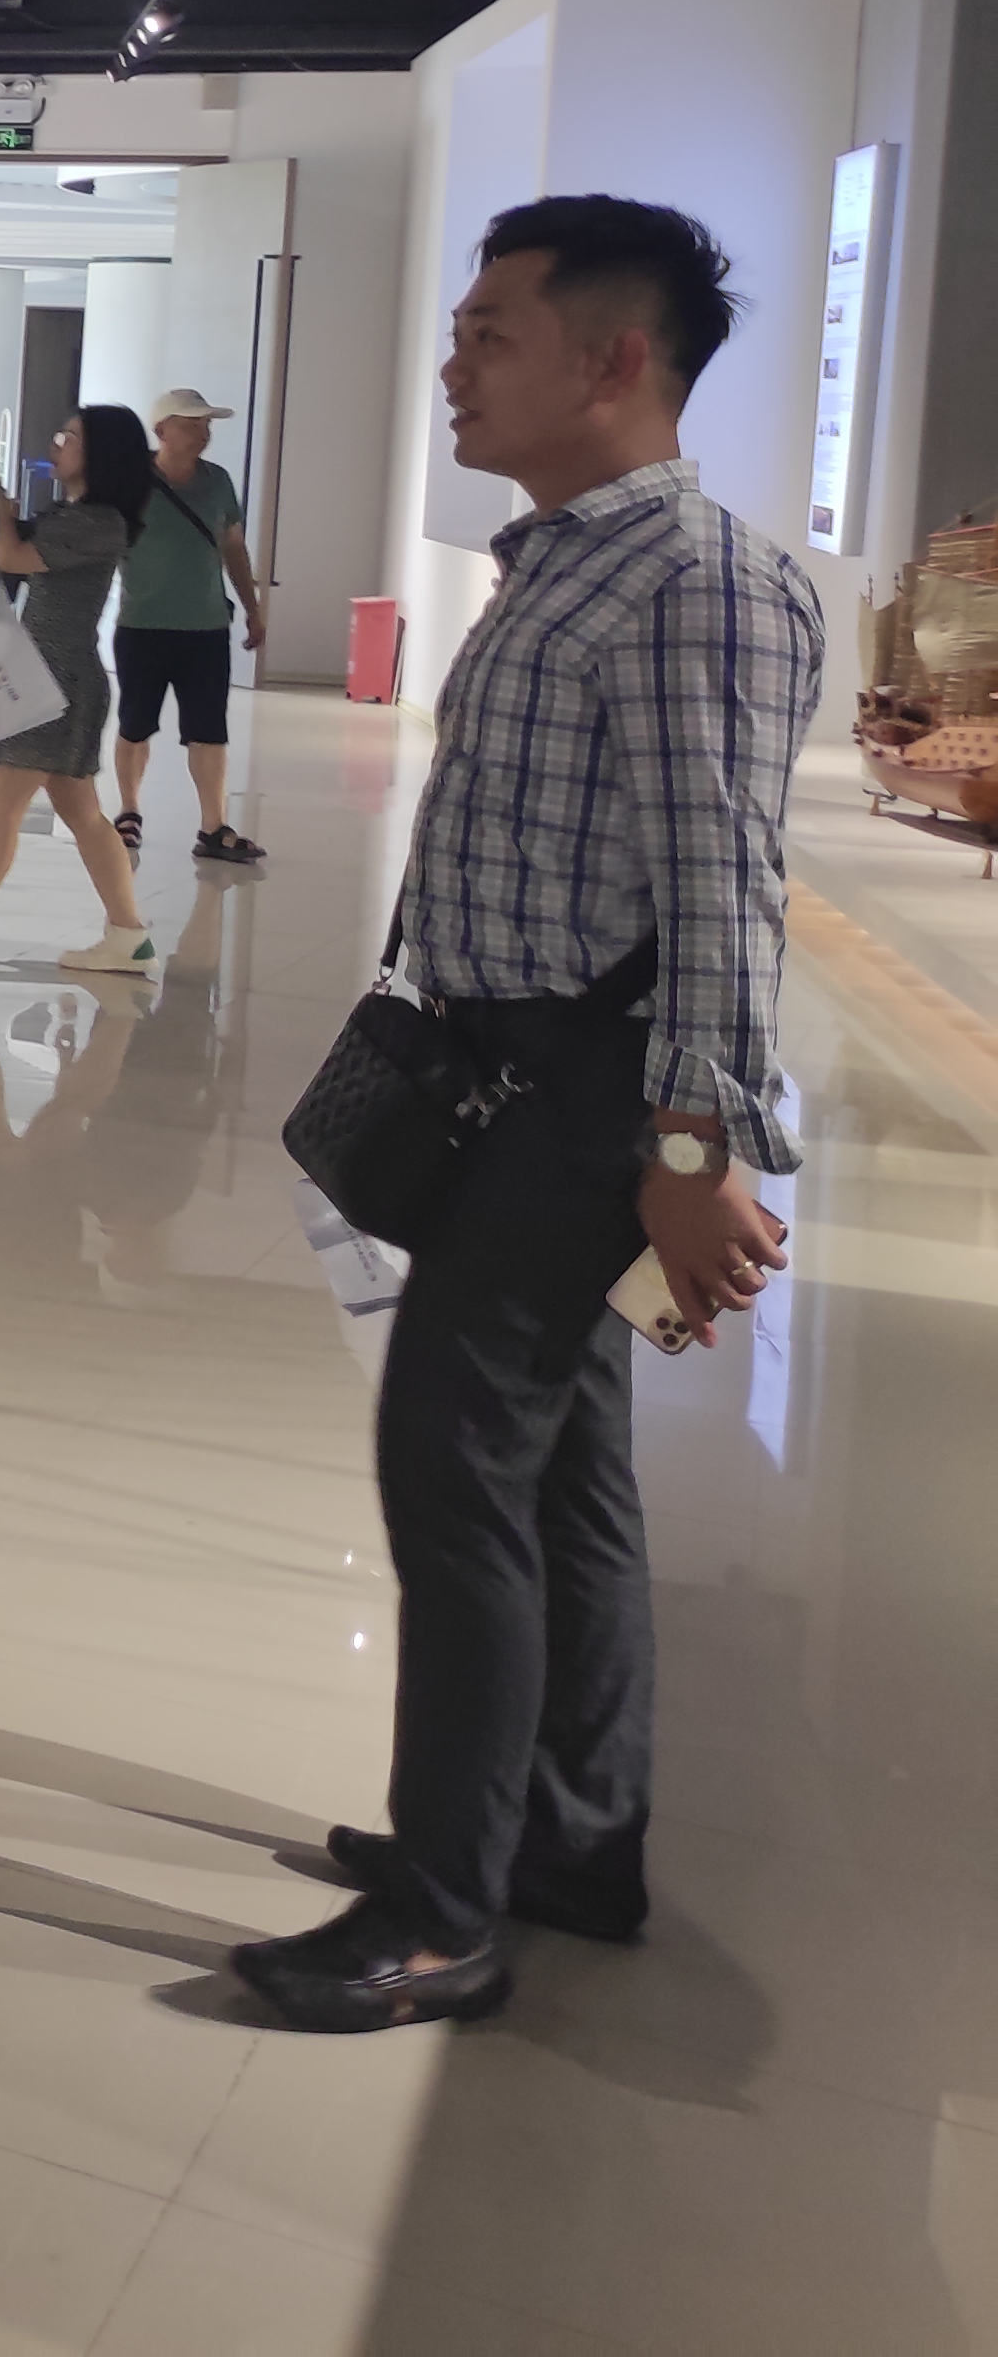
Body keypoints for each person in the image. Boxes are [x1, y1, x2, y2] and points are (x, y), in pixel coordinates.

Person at [230, 197, 818, 2033]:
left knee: (455, 1458)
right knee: (559, 1467)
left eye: (490, 332)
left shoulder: (689, 580)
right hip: (505, 1070)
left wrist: (687, 1154)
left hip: (585, 1099)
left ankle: (440, 1907)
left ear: (612, 357)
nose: (452, 364)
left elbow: (724, 892)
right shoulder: (558, 560)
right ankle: (559, 1834)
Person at [0, 407, 163, 974]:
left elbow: (11, 555)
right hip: (50, 682)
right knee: (82, 814)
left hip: (55, 686)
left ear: (100, 453)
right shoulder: (75, 514)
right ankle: (129, 936)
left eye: (68, 437)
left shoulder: (100, 522)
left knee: (2, 809)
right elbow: (10, 546)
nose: (57, 445)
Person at [112, 384, 274, 867]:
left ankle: (212, 826)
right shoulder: (128, 480)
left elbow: (233, 548)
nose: (202, 433)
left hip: (205, 627)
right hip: (143, 625)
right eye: (191, 424)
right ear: (161, 430)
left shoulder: (218, 482)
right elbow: (100, 540)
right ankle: (129, 811)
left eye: (205, 425)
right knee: (135, 724)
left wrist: (253, 607)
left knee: (209, 731)